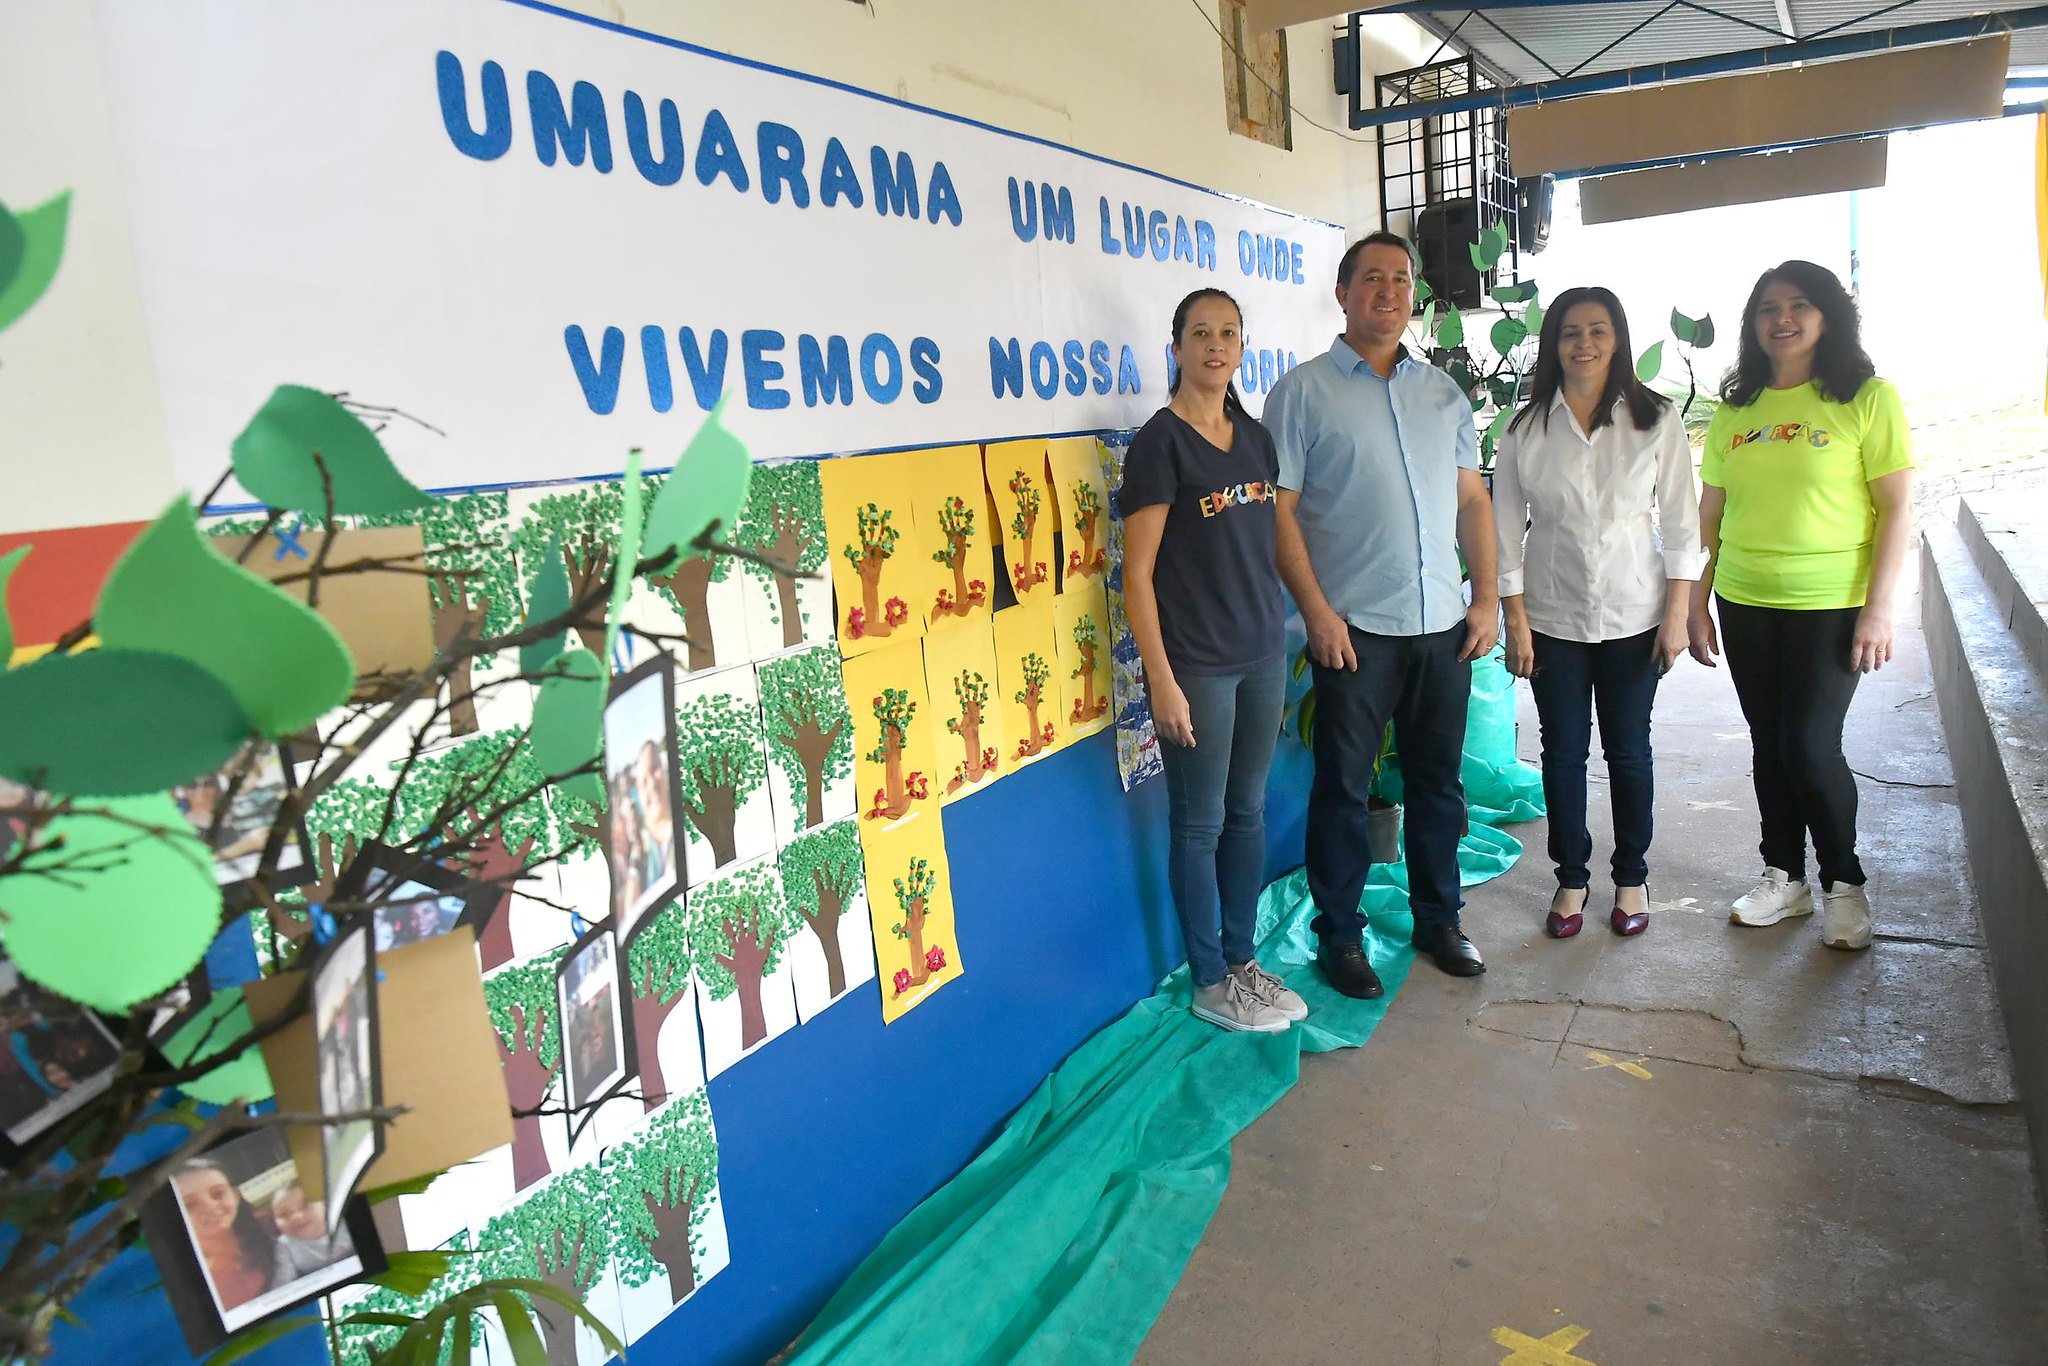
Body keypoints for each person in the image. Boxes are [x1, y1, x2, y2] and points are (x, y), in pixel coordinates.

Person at [1266, 231, 1500, 993]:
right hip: (1355, 634)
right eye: (1372, 279)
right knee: (1342, 788)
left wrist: (1488, 598)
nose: (1389, 292)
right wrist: (1317, 615)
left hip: (1442, 629)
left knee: (1438, 785)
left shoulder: (1444, 395)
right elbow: (1281, 513)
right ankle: (1340, 936)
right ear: (1342, 293)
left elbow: (1472, 500)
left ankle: (1441, 920)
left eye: (1401, 280)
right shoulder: (1300, 393)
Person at [1688, 260, 1914, 951]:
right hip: (1746, 598)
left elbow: (1898, 507)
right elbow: (1711, 513)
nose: (1781, 319)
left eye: (1798, 305)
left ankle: (1845, 884)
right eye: (1767, 308)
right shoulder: (1738, 408)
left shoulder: (1866, 398)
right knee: (1768, 742)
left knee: (1808, 744)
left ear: (1827, 316)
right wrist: (1695, 600)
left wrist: (1880, 608)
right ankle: (1784, 878)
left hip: (1831, 602)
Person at [1117, 287, 1306, 1033]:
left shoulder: (1255, 438)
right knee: (1198, 826)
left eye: (1229, 332)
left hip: (1261, 655)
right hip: (1196, 664)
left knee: (1247, 812)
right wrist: (1159, 679)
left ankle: (1243, 961)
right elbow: (1137, 576)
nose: (1216, 346)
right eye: (1201, 333)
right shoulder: (1160, 443)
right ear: (1178, 346)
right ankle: (1208, 979)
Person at [1495, 287, 1703, 939]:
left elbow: (1680, 522)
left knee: (1628, 751)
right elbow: (1503, 532)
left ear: (1617, 339)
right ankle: (1572, 879)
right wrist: (1516, 621)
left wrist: (1677, 614)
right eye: (1570, 332)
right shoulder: (1526, 428)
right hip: (1553, 618)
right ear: (1553, 345)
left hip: (1636, 613)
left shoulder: (1656, 419)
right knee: (1561, 754)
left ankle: (1632, 876)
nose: (1584, 343)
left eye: (1599, 330)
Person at [173, 1158, 275, 1311]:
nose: (210, 1207)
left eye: (217, 1194)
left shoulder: (271, 1224)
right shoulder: (186, 1273)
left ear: (235, 1195)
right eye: (189, 1205)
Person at [268, 1180, 353, 1280]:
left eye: (305, 1206)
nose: (296, 1217)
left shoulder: (343, 1223)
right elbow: (283, 1284)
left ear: (326, 1204)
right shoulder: (284, 1246)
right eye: (284, 1214)